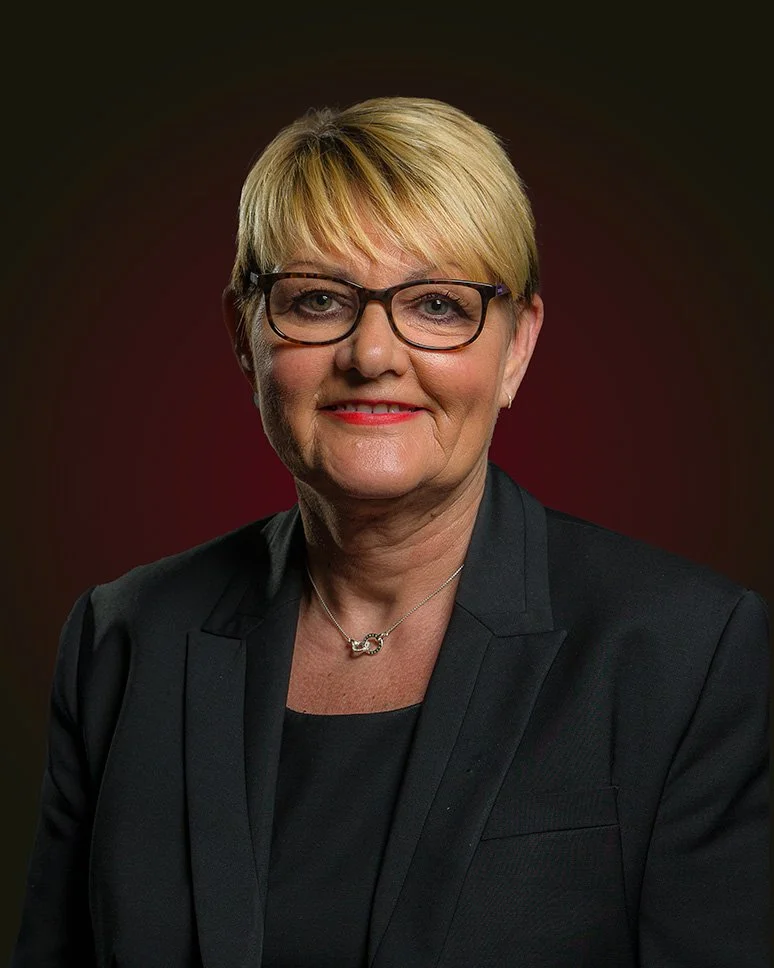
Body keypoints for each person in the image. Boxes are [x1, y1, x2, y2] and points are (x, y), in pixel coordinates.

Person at [12, 97, 768, 968]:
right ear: (244, 335)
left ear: (517, 348)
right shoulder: (124, 639)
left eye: (440, 304)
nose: (372, 353)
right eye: (320, 298)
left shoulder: (687, 651)